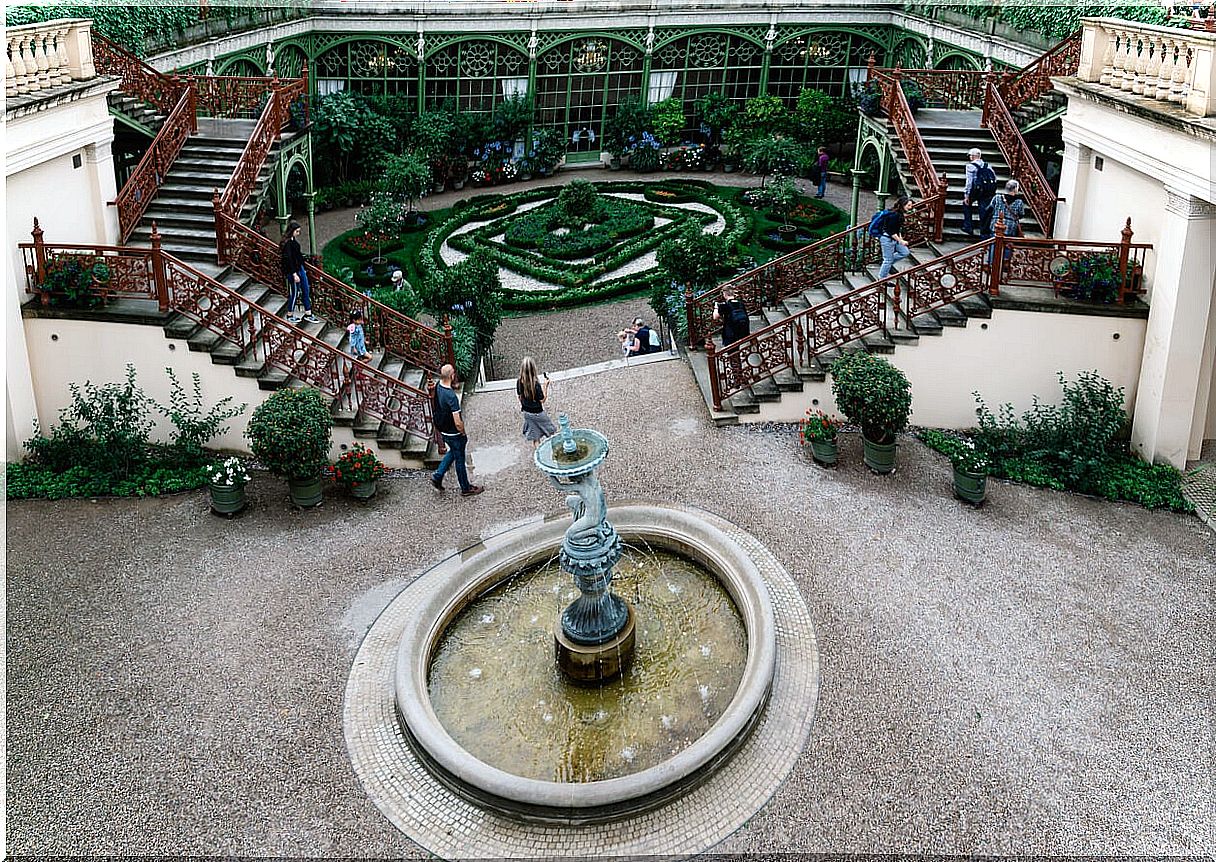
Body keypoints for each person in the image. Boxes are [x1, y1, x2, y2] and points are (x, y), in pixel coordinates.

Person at [430, 364, 484, 497]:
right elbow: (457, 421)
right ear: (452, 375)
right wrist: (463, 432)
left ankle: (438, 476)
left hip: (443, 430)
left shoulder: (438, 386)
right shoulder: (451, 397)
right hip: (454, 432)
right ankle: (465, 488)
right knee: (459, 459)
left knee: (453, 452)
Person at [279, 221, 318, 324]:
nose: (298, 233)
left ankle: (308, 313)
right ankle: (290, 314)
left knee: (306, 289)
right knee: (295, 293)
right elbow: (289, 259)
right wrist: (294, 273)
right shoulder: (287, 243)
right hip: (293, 271)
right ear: (292, 231)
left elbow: (297, 256)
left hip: (300, 268)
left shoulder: (293, 240)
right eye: (297, 231)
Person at [517, 357, 558, 450]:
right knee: (551, 433)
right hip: (538, 413)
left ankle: (540, 456)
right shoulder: (536, 384)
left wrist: (525, 405)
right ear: (533, 369)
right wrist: (545, 386)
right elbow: (542, 400)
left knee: (536, 438)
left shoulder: (519, 382)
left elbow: (519, 397)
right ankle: (555, 453)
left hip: (527, 413)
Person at [962, 148, 998, 239]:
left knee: (966, 204)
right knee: (984, 211)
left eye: (970, 155)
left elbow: (969, 182)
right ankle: (984, 233)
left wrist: (967, 195)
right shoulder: (988, 165)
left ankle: (968, 226)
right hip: (987, 192)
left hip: (975, 191)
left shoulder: (970, 166)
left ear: (973, 156)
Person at [877, 195, 911, 280]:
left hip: (893, 238)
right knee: (888, 260)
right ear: (903, 205)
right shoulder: (894, 215)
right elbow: (891, 231)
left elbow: (897, 229)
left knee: (904, 252)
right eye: (909, 205)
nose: (910, 207)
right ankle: (881, 279)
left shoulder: (900, 214)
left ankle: (887, 263)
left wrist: (901, 239)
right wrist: (901, 241)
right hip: (887, 239)